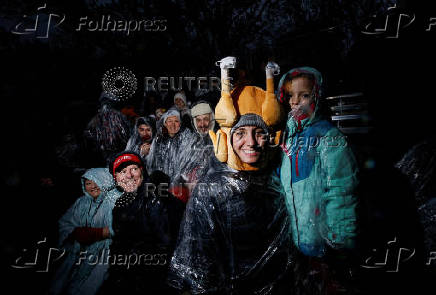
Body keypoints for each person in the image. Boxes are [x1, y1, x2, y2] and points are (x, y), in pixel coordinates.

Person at [168, 58, 293, 294]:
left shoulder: (276, 178)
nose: (251, 143)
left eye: (259, 133)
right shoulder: (211, 189)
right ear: (227, 139)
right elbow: (198, 258)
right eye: (241, 133)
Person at [277, 67, 359, 293]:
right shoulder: (289, 139)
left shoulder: (329, 137)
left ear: (316, 96)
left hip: (325, 248)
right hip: (298, 244)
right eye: (290, 96)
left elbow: (341, 190)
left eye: (303, 95)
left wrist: (338, 244)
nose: (295, 102)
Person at [98, 151, 185, 295]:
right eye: (122, 172)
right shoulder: (122, 202)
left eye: (133, 169)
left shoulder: (156, 199)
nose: (128, 176)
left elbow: (166, 249)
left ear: (142, 171)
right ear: (115, 178)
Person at [48, 168, 120, 295]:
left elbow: (122, 226)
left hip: (104, 254)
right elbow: (65, 223)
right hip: (78, 251)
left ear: (104, 181)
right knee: (64, 283)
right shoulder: (81, 202)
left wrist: (100, 233)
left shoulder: (114, 200)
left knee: (90, 286)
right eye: (88, 183)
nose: (92, 186)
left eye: (95, 181)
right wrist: (74, 232)